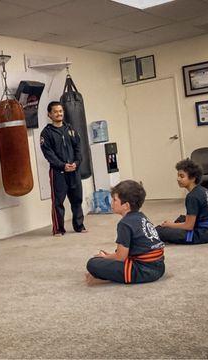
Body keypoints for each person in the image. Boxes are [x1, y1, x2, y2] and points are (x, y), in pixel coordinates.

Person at [86, 180, 164, 285]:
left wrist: (105, 258)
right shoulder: (141, 216)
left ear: (126, 205)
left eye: (114, 200)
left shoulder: (124, 224)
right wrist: (110, 256)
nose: (111, 203)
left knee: (93, 263)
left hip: (144, 271)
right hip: (159, 266)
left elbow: (120, 257)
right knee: (115, 252)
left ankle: (103, 277)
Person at [39, 101, 86, 237]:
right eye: (55, 112)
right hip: (58, 172)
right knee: (58, 202)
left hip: (74, 171)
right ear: (49, 114)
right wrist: (62, 165)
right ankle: (58, 229)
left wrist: (76, 163)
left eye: (60, 111)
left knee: (77, 199)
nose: (59, 114)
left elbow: (78, 149)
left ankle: (79, 226)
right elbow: (48, 154)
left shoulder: (71, 130)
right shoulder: (46, 133)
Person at [156, 159, 208, 245]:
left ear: (193, 178)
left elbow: (189, 226)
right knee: (181, 219)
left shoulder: (192, 196)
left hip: (205, 233)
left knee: (159, 231)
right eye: (178, 176)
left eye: (182, 176)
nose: (178, 179)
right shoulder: (203, 190)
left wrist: (170, 225)